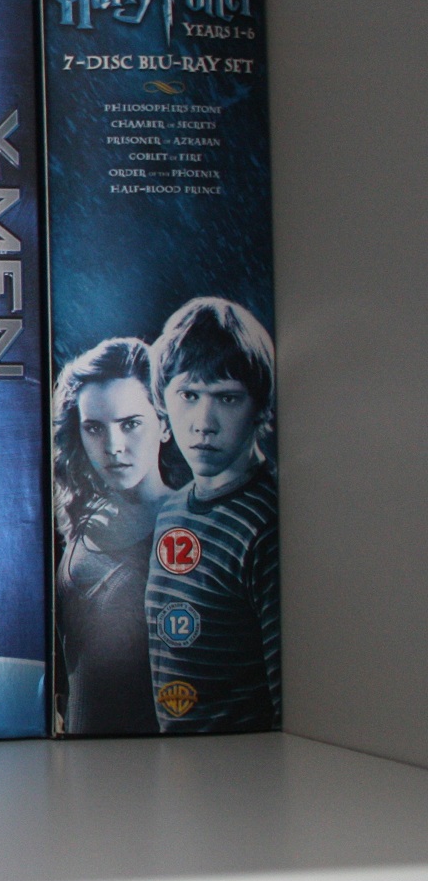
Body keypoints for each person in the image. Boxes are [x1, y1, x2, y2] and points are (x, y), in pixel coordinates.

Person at [145, 297, 280, 733]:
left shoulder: (269, 525)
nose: (204, 422)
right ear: (163, 402)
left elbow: (292, 699)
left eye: (227, 398)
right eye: (188, 395)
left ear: (259, 408)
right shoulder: (172, 509)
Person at [52, 337, 182, 734]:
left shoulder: (189, 527)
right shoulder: (80, 517)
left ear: (164, 424)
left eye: (130, 424)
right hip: (75, 755)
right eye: (94, 428)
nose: (113, 447)